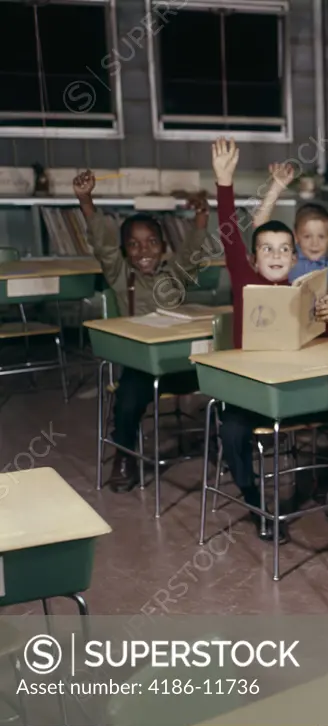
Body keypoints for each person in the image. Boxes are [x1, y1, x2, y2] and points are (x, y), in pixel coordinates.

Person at [212, 137, 328, 543]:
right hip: (251, 393)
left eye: (284, 249)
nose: (276, 254)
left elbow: (325, 338)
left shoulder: (300, 287)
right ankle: (255, 502)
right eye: (266, 248)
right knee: (232, 432)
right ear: (254, 256)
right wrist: (224, 182)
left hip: (292, 390)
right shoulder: (244, 279)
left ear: (294, 254)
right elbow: (231, 235)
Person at [74, 169, 212, 493]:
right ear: (124, 251)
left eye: (151, 242)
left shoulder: (176, 274)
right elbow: (103, 245)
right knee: (128, 396)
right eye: (133, 245)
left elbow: (192, 251)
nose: (144, 250)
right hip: (144, 369)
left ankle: (225, 448)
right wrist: (85, 200)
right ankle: (124, 455)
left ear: (164, 246)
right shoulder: (122, 276)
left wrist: (202, 217)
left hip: (181, 363)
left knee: (226, 376)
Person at [251, 162, 328, 283]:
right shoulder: (287, 258)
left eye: (321, 237)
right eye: (307, 236)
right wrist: (277, 187)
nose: (314, 244)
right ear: (296, 236)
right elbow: (260, 226)